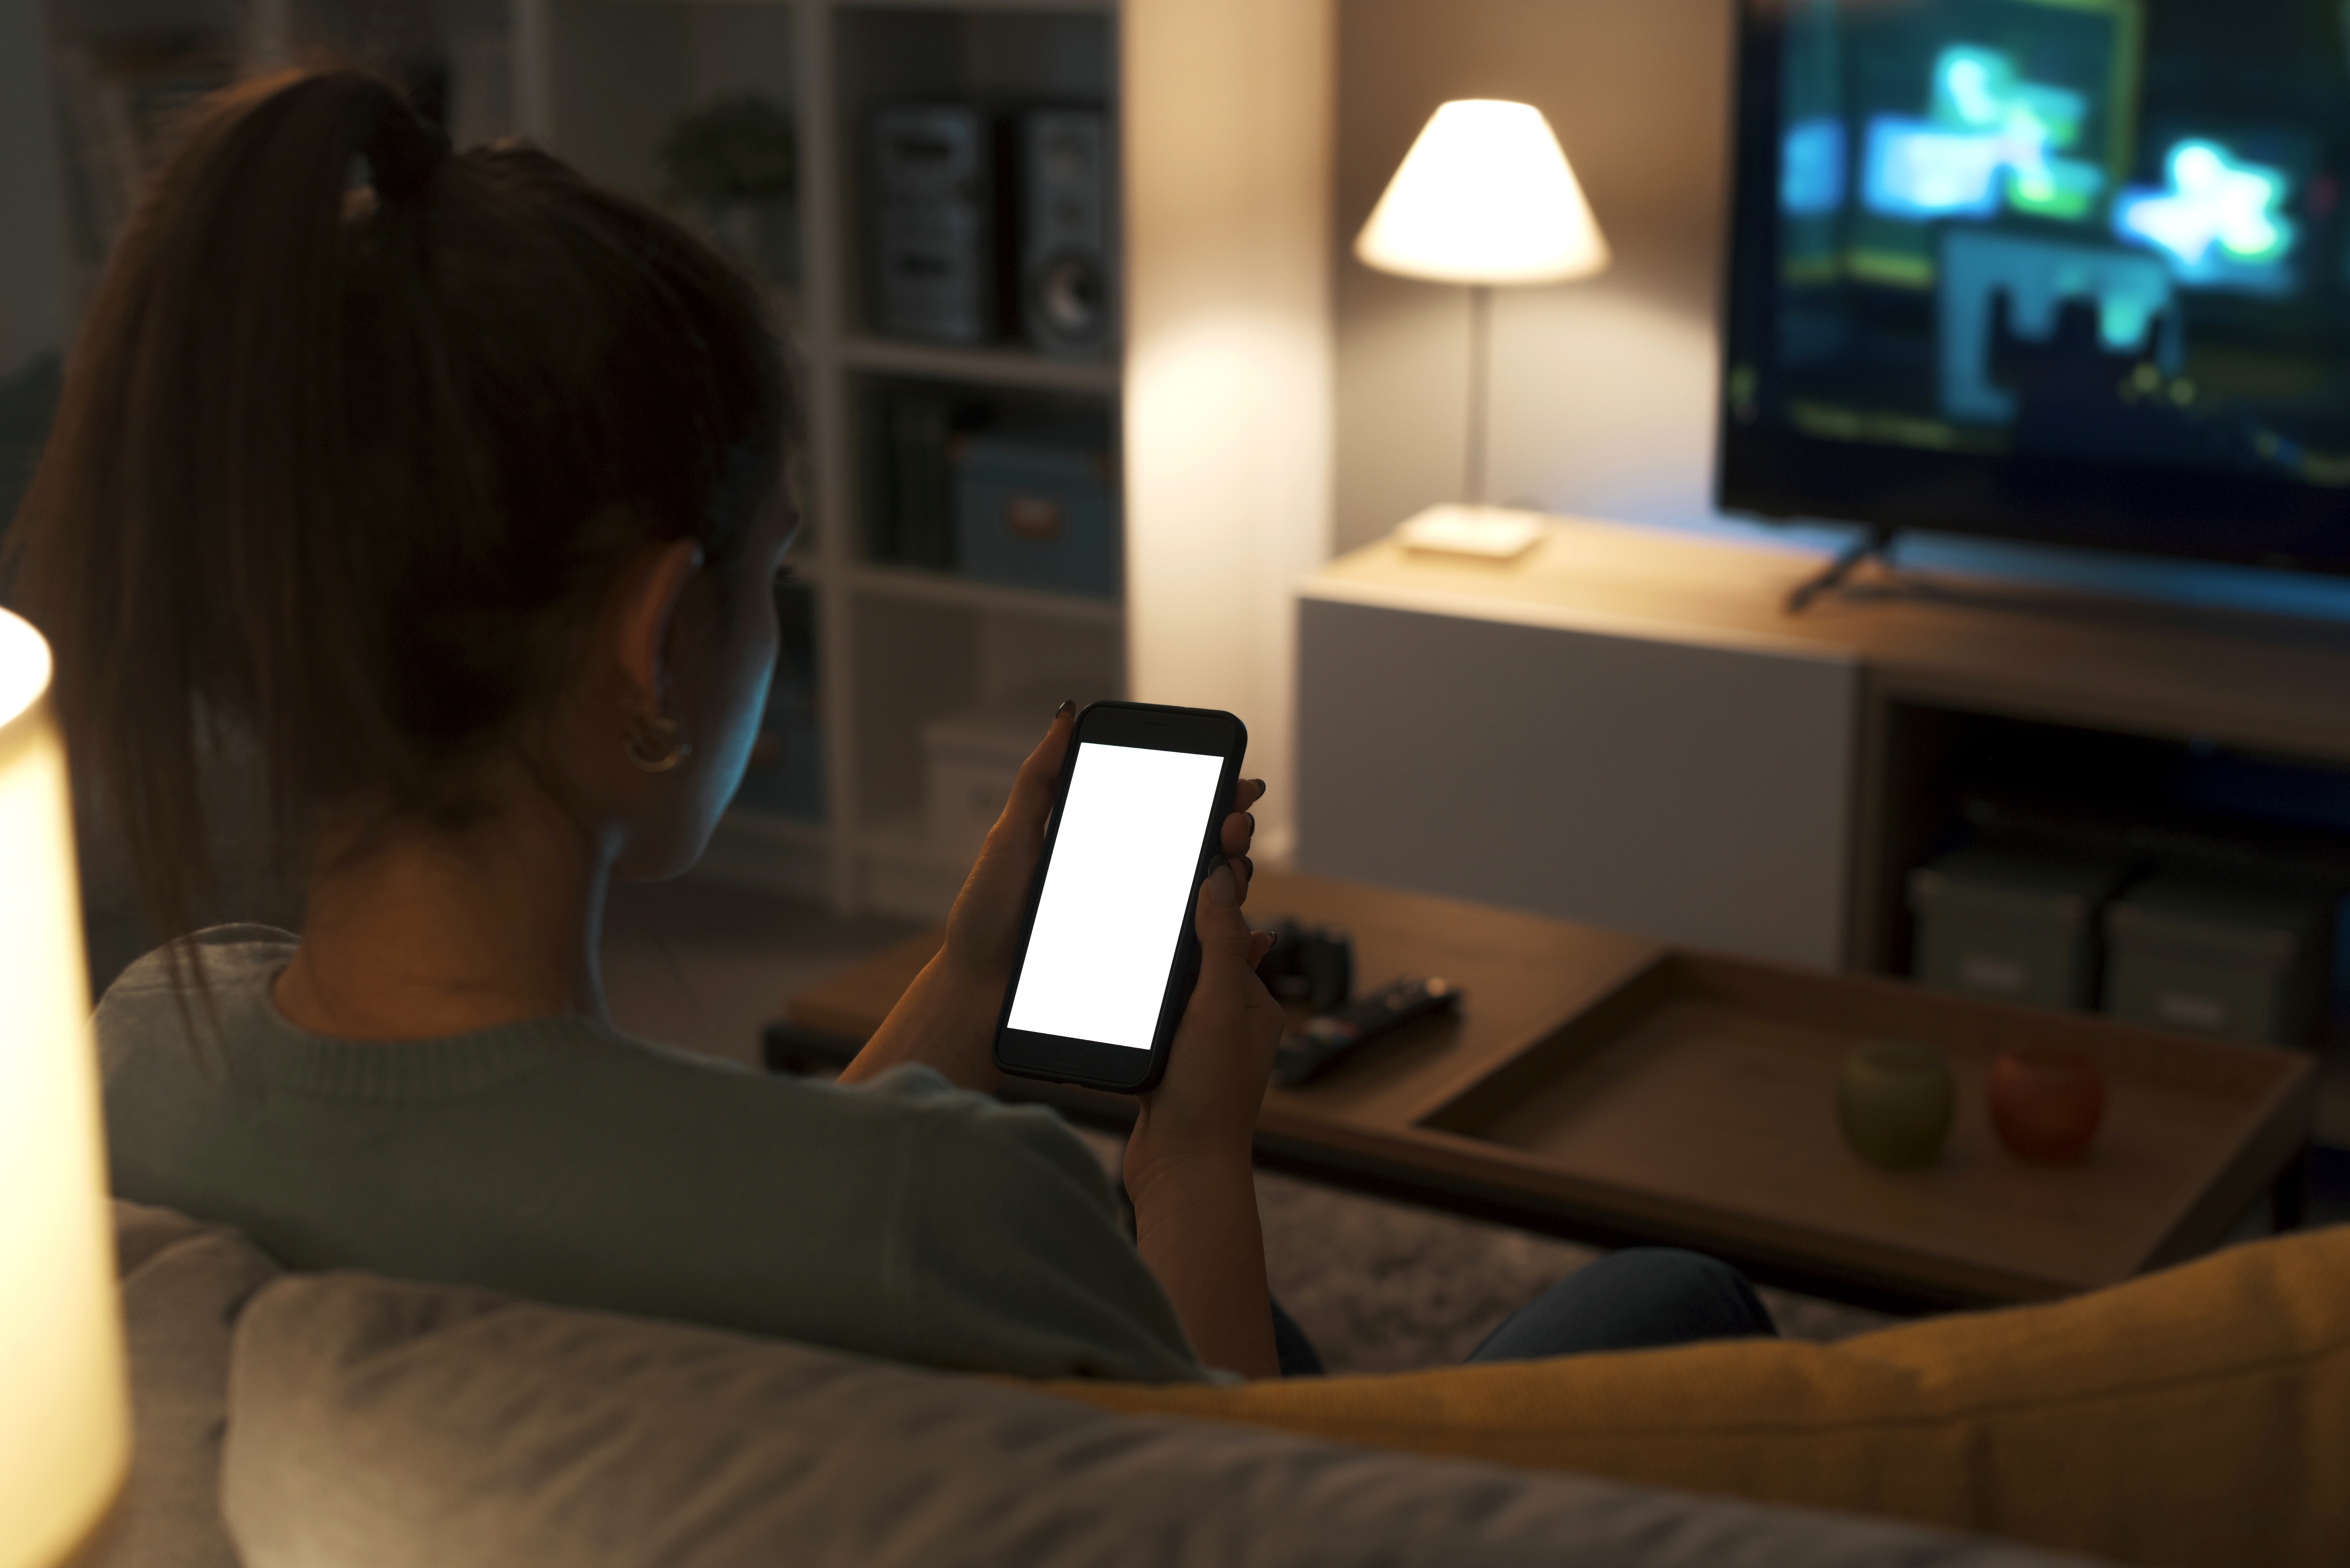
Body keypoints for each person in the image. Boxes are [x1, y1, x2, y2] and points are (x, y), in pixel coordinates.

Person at [6, 68, 1770, 1385]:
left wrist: (969, 973)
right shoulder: (959, 1207)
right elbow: (1247, 1505)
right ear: (656, 639)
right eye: (775, 569)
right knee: (1671, 1300)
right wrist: (1196, 1148)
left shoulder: (147, 1060)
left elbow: (707, 1221)